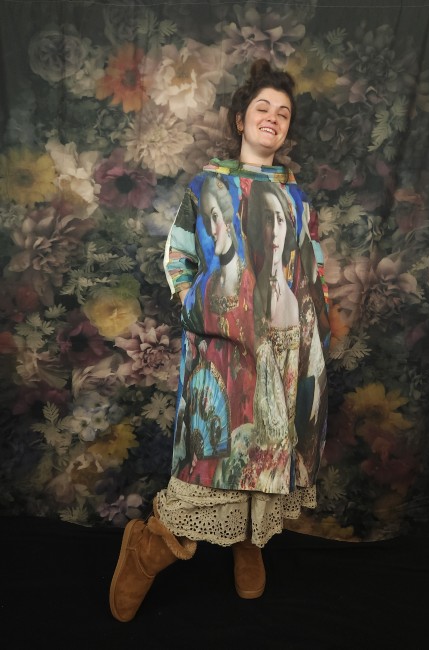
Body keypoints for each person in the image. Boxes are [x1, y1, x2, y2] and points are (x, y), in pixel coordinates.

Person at [109, 59, 330, 623]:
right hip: (223, 348)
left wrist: (308, 336)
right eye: (263, 107)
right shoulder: (207, 186)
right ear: (240, 119)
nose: (272, 118)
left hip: (284, 352)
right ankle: (150, 547)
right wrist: (198, 308)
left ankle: (248, 544)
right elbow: (178, 258)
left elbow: (312, 269)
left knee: (270, 452)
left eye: (283, 113)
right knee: (213, 460)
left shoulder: (298, 198)